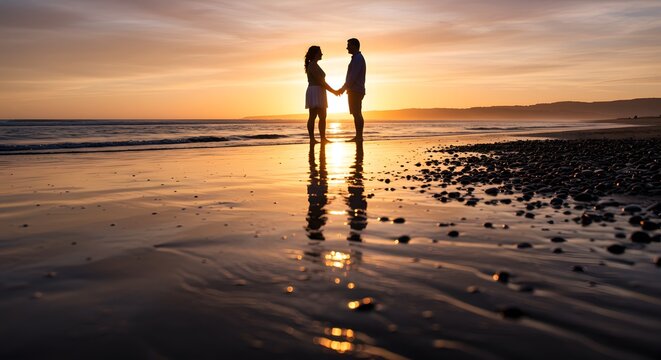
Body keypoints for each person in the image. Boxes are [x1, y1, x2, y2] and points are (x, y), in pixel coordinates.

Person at [304, 46, 340, 144]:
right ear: (315, 54)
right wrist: (334, 91)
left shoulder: (315, 64)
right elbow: (321, 82)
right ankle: (312, 139)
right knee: (313, 116)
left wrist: (334, 91)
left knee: (323, 116)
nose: (322, 54)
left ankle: (323, 138)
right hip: (315, 91)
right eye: (320, 52)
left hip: (319, 91)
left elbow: (322, 82)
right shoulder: (312, 65)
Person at [338, 38, 366, 142]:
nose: (347, 48)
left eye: (348, 45)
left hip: (356, 90)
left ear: (354, 46)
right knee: (356, 113)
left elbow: (352, 77)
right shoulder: (356, 58)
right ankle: (358, 136)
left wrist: (342, 88)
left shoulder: (358, 58)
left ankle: (359, 136)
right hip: (355, 90)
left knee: (357, 113)